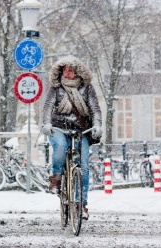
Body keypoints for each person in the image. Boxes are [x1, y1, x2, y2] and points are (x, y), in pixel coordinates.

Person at [42, 55, 102, 220]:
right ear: (61, 71)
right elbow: (47, 107)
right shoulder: (55, 88)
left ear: (77, 72)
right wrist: (46, 124)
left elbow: (95, 109)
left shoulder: (87, 88)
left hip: (80, 130)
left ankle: (81, 203)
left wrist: (97, 125)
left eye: (71, 70)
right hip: (58, 128)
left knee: (83, 167)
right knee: (60, 146)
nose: (68, 73)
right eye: (66, 70)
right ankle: (56, 179)